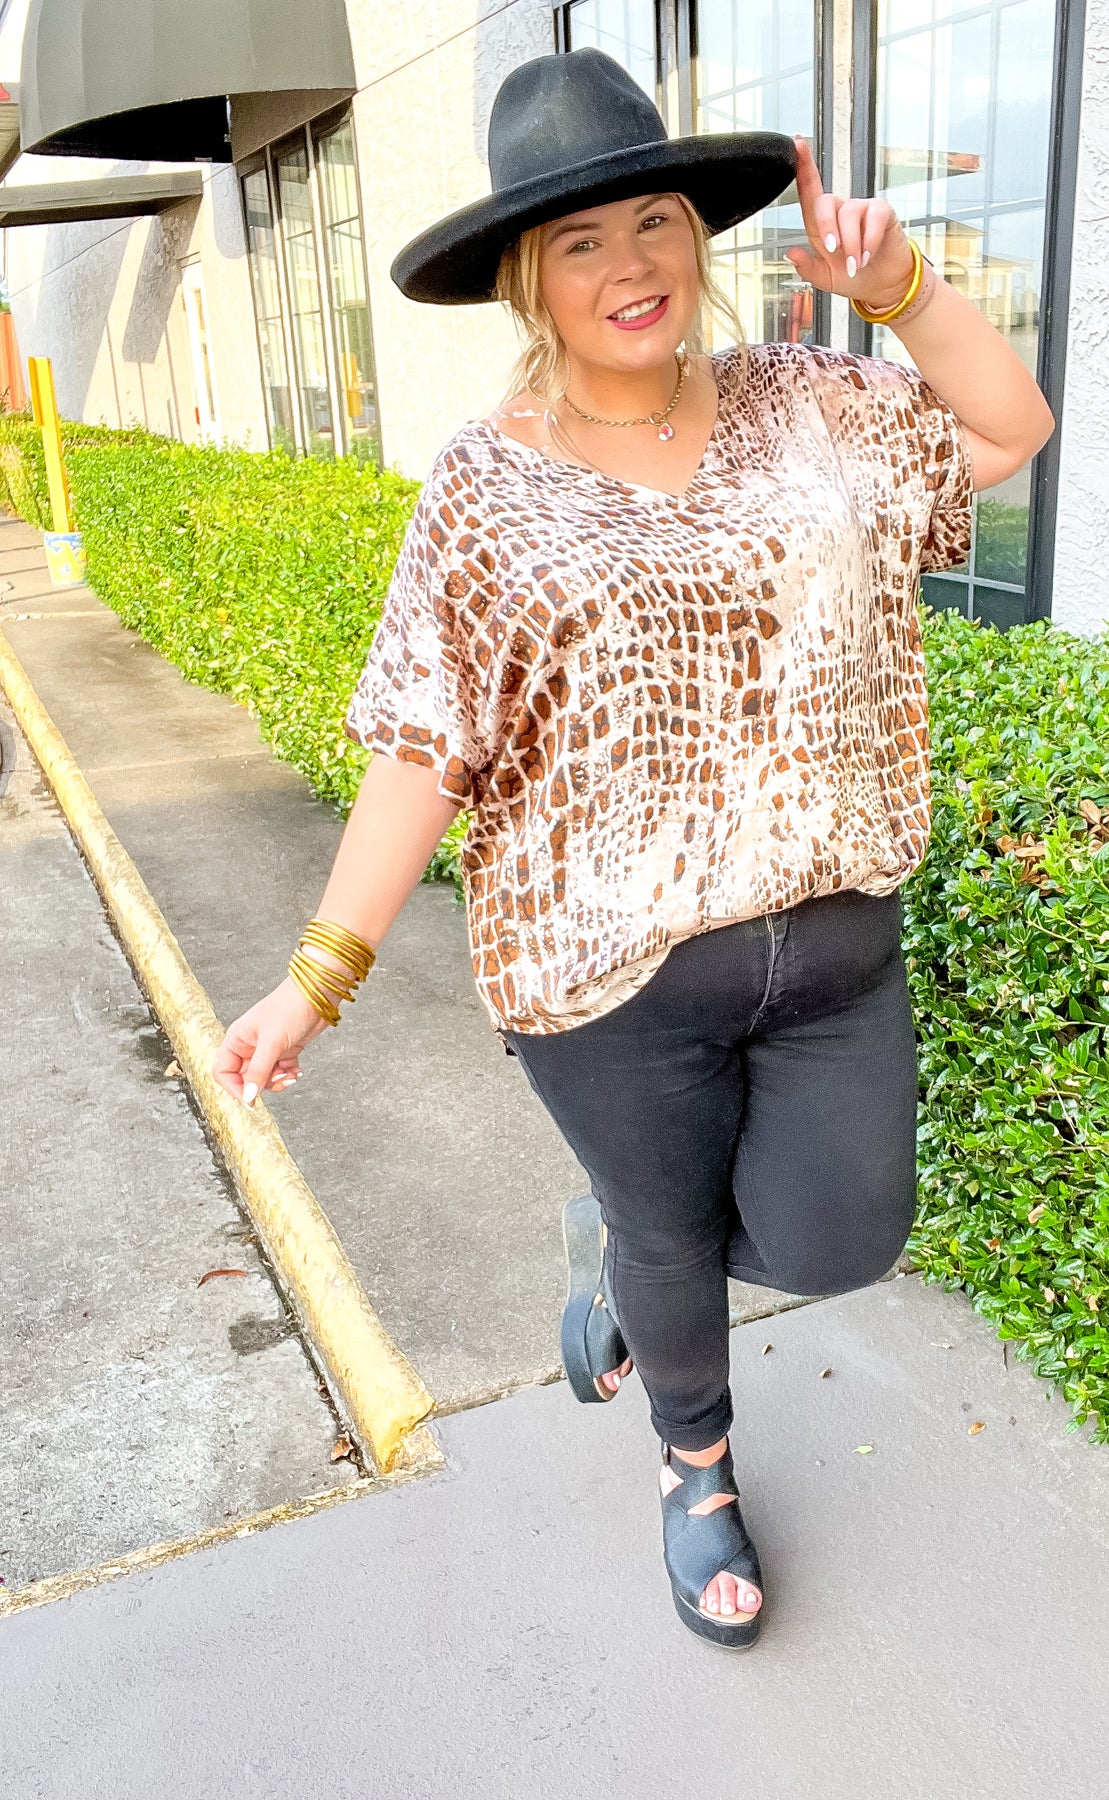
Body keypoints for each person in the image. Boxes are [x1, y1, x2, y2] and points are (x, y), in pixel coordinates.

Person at [213, 46, 1055, 1650]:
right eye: (580, 241)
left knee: (842, 1239)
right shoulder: (485, 488)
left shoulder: (813, 402)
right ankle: (696, 1470)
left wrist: (900, 292)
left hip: (831, 941)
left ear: (696, 237)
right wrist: (316, 976)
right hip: (605, 979)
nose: (629, 266)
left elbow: (1006, 433)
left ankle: (619, 1243)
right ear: (527, 278)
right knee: (674, 1238)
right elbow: (425, 744)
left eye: (654, 222)